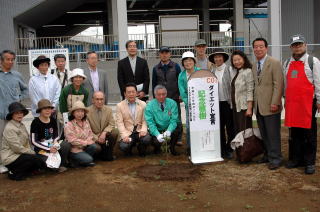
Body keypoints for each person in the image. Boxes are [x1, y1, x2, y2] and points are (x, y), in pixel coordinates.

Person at [283, 34, 320, 175]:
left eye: (300, 44)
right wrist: (285, 100)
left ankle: (309, 162)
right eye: (294, 45)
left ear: (305, 45)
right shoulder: (287, 63)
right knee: (294, 133)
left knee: (309, 133)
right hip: (293, 104)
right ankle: (295, 159)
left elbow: (318, 83)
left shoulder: (313, 61)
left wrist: (319, 100)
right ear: (291, 47)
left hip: (307, 104)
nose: (297, 47)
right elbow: (287, 85)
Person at [252, 38, 284, 170]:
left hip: (271, 105)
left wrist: (275, 102)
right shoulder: (254, 65)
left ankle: (276, 158)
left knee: (273, 134)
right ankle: (267, 155)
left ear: (266, 48)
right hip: (259, 106)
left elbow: (279, 84)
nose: (258, 49)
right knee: (264, 133)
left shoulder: (274, 63)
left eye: (261, 46)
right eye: (255, 47)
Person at [0, 50, 29, 174]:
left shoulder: (17, 75)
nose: (10, 62)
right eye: (8, 59)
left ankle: (16, 160)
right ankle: (2, 163)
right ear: (1, 61)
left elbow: (25, 89)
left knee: (18, 137)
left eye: (12, 59)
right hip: (1, 113)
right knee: (1, 138)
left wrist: (19, 97)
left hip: (15, 114)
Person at [1, 102, 46, 180]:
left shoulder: (21, 125)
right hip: (11, 157)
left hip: (20, 154)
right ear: (12, 115)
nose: (19, 115)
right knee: (34, 159)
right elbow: (17, 148)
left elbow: (27, 142)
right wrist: (33, 153)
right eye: (16, 113)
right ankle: (13, 173)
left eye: (21, 112)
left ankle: (27, 170)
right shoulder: (10, 128)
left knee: (38, 159)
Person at [151, 46, 183, 145]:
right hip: (161, 98)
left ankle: (178, 138)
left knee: (176, 118)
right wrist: (155, 97)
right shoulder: (156, 68)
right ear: (159, 54)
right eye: (162, 53)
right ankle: (163, 135)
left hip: (174, 97)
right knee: (162, 118)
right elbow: (154, 84)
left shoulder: (176, 66)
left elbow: (180, 81)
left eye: (166, 52)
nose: (164, 55)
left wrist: (180, 94)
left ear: (170, 54)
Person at [30, 99, 71, 172]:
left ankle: (62, 164)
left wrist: (55, 144)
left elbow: (56, 135)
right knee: (52, 166)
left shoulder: (52, 120)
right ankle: (49, 167)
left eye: (49, 108)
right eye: (45, 108)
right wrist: (48, 148)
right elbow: (34, 141)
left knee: (66, 145)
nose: (48, 111)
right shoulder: (35, 122)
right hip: (41, 148)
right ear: (40, 110)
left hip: (51, 144)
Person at [209, 48, 235, 159]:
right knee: (219, 127)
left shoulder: (230, 69)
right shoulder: (212, 71)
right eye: (215, 57)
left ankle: (230, 148)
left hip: (227, 103)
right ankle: (222, 149)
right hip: (216, 104)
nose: (218, 59)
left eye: (220, 56)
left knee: (230, 127)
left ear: (223, 58)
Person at [116, 83, 152, 157]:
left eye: (133, 92)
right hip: (128, 132)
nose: (131, 94)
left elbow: (145, 120)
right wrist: (124, 136)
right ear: (125, 94)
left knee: (147, 139)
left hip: (139, 131)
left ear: (136, 93)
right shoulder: (119, 106)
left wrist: (143, 130)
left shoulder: (143, 104)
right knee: (123, 146)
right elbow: (119, 123)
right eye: (129, 92)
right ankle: (129, 150)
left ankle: (141, 147)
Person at [145, 85, 179, 156]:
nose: (161, 96)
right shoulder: (149, 106)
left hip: (168, 127)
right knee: (156, 141)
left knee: (177, 129)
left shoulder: (172, 103)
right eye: (159, 94)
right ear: (155, 95)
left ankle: (171, 148)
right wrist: (157, 134)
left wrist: (169, 130)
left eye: (163, 94)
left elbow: (174, 120)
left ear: (166, 94)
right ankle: (157, 148)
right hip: (157, 129)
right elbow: (150, 123)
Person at [178, 51, 200, 153]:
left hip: (201, 104)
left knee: (201, 124)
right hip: (189, 106)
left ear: (194, 62)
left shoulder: (200, 72)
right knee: (189, 125)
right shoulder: (181, 76)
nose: (188, 63)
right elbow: (182, 92)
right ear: (183, 63)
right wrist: (189, 104)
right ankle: (190, 147)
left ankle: (201, 144)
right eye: (185, 61)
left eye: (190, 60)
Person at [64, 101, 98, 167]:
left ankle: (79, 162)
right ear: (73, 113)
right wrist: (85, 142)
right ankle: (74, 160)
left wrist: (88, 141)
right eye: (78, 111)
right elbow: (72, 140)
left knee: (93, 146)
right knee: (89, 159)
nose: (80, 114)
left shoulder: (86, 122)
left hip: (84, 148)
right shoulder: (69, 125)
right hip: (74, 149)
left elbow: (90, 134)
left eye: (82, 111)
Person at [87, 91, 119, 161]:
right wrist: (96, 138)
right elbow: (86, 130)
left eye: (101, 99)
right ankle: (99, 155)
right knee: (97, 148)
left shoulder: (108, 110)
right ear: (93, 100)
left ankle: (108, 153)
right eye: (97, 99)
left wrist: (104, 133)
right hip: (93, 137)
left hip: (105, 136)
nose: (99, 101)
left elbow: (112, 124)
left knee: (115, 132)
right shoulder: (87, 112)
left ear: (104, 100)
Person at [230, 50, 254, 135]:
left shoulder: (248, 71)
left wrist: (249, 108)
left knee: (245, 130)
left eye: (239, 59)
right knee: (238, 130)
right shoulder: (237, 72)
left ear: (244, 59)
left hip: (244, 108)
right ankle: (240, 147)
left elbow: (250, 90)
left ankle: (246, 148)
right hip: (237, 107)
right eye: (234, 60)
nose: (237, 62)